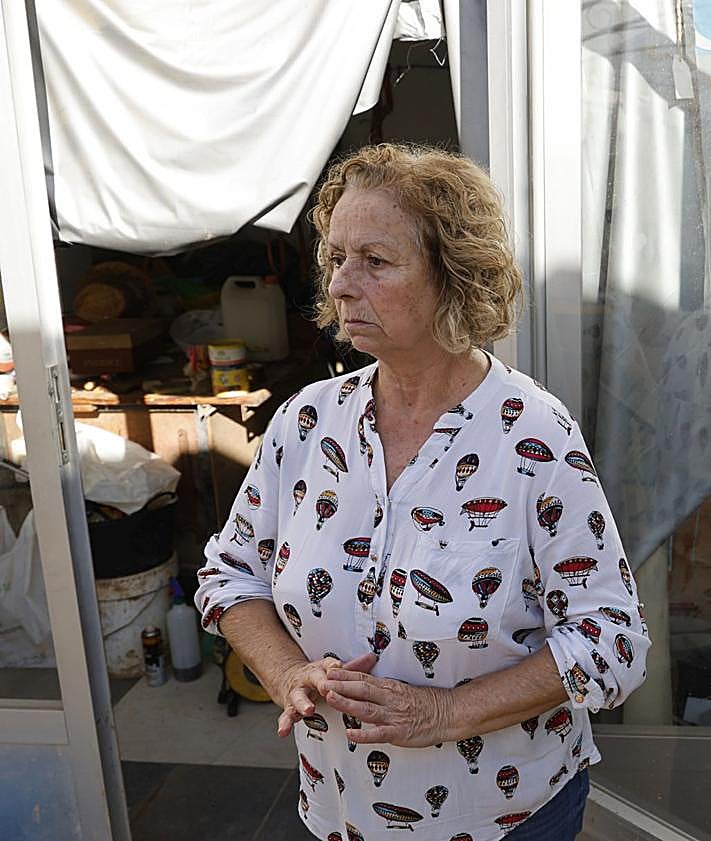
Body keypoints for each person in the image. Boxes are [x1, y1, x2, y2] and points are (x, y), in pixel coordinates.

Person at [195, 143, 650, 841]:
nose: (342, 284)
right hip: (341, 809)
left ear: (454, 276)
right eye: (336, 258)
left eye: (375, 261)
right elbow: (230, 574)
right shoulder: (308, 419)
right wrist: (286, 673)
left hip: (504, 817)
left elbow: (609, 639)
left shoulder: (531, 432)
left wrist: (443, 714)